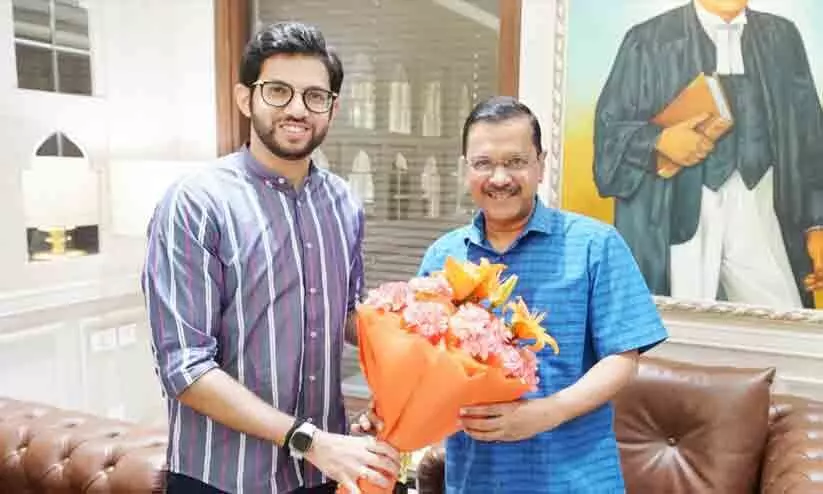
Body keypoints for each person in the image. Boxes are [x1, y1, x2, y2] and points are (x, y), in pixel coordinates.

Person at [357, 96, 668, 492]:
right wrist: (389, 411)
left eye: (516, 161)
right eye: (483, 163)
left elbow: (622, 358)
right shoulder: (444, 255)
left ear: (540, 164)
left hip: (575, 480)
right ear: (465, 169)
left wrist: (547, 412)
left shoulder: (596, 245)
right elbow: (418, 365)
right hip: (475, 480)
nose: (499, 177)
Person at [141, 21, 399, 494]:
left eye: (315, 96)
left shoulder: (344, 202)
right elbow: (186, 367)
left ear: (333, 108)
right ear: (246, 99)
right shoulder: (196, 202)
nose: (297, 109)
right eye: (278, 91)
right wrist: (307, 440)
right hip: (222, 478)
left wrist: (426, 336)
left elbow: (346, 316)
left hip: (322, 471)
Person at [593, 0, 823, 309]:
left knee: (785, 322)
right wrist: (659, 141)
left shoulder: (781, 37)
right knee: (675, 327)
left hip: (761, 205)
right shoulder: (647, 40)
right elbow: (609, 133)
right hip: (678, 212)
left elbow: (810, 135)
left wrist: (817, 225)